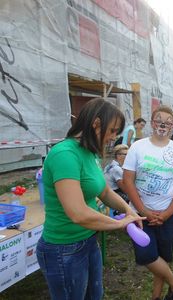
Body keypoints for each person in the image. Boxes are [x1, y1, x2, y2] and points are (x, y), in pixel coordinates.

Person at [36, 98, 144, 300]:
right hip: (63, 249)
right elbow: (77, 213)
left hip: (87, 241)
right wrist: (118, 224)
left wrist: (129, 211)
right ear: (96, 123)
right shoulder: (65, 155)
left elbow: (104, 192)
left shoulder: (89, 153)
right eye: (112, 131)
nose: (113, 138)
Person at [123, 105, 173, 300]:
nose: (163, 124)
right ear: (152, 123)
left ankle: (156, 297)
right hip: (139, 214)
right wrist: (143, 210)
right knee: (146, 256)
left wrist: (167, 213)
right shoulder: (137, 147)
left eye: (168, 121)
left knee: (162, 257)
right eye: (159, 120)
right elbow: (128, 180)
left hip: (168, 215)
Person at [104, 144, 131, 213]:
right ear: (118, 155)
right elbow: (124, 189)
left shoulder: (110, 165)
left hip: (106, 192)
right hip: (112, 194)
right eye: (125, 154)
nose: (128, 156)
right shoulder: (117, 169)